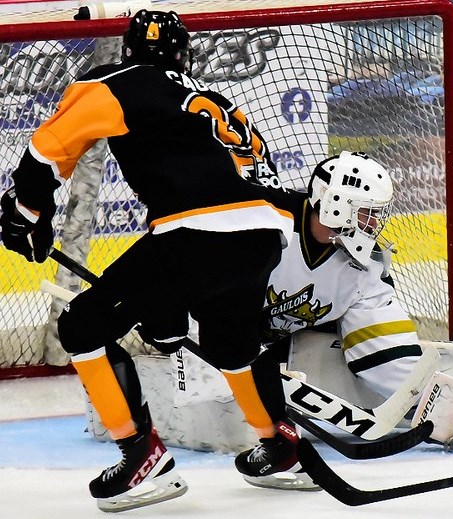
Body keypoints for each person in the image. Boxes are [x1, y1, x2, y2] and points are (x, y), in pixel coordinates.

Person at [0, 10, 298, 512]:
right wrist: (170, 297)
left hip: (195, 234)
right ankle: (279, 445)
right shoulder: (212, 101)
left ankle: (140, 456)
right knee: (232, 343)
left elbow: (47, 149)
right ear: (183, 55)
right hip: (265, 233)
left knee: (82, 327)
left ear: (128, 51)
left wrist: (26, 211)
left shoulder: (112, 82)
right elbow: (242, 178)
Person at [130, 151, 453, 491]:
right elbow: (187, 271)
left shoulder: (364, 270)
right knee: (215, 393)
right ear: (338, 205)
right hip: (208, 334)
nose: (377, 223)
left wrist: (447, 406)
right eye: (369, 212)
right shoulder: (262, 226)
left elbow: (389, 364)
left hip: (273, 345)